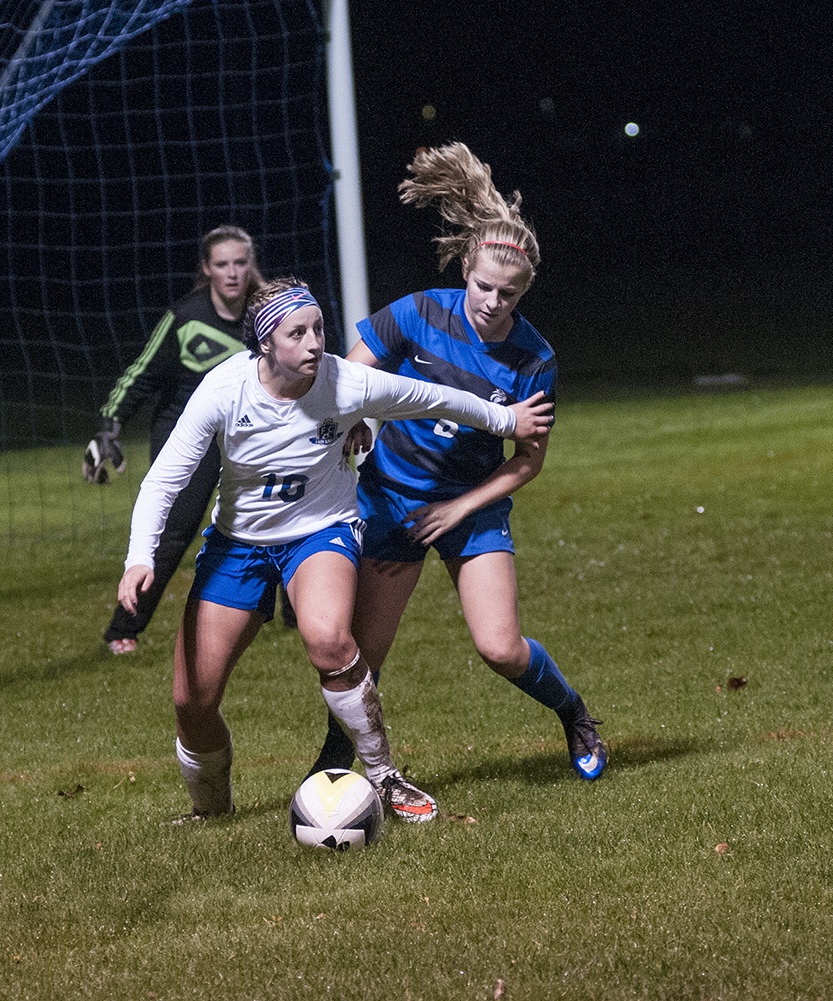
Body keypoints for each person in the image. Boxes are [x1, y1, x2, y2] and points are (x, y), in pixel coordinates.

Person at [117, 277, 554, 822]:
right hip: (238, 545)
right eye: (296, 333)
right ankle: (212, 812)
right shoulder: (223, 389)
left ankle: (384, 776)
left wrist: (505, 419)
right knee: (192, 701)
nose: (314, 343)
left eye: (319, 328)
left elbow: (433, 398)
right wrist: (141, 556)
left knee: (327, 638)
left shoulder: (345, 383)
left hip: (321, 532)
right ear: (264, 344)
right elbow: (163, 483)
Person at [309, 142, 608, 781]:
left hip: (470, 507)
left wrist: (462, 507)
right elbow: (349, 379)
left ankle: (574, 713)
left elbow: (528, 461)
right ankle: (337, 762)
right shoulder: (418, 312)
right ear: (466, 265)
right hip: (392, 499)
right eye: (483, 286)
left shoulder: (534, 360)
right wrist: (358, 417)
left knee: (499, 647)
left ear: (523, 290)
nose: (492, 302)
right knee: (364, 654)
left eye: (508, 293)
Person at [83, 225, 293, 655]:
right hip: (187, 436)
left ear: (250, 265)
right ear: (206, 269)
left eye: (240, 263)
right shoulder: (186, 317)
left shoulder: (268, 314)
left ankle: (298, 616)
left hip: (248, 436)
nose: (233, 273)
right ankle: (124, 628)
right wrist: (109, 427)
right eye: (222, 264)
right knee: (172, 533)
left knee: (286, 512)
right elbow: (137, 377)